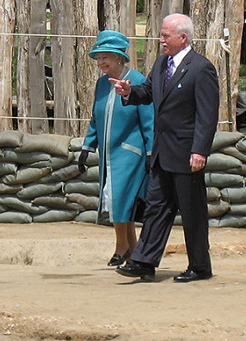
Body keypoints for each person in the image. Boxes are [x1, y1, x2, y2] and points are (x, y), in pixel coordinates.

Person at [110, 13, 219, 282]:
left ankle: (200, 266)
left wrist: (200, 151)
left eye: (165, 36)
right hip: (162, 153)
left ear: (183, 38)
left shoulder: (201, 68)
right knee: (156, 208)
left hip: (186, 153)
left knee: (192, 212)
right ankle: (144, 262)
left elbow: (207, 115)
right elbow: (147, 91)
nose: (161, 41)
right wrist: (128, 92)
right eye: (161, 35)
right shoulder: (161, 64)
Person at [79, 30, 154, 267]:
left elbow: (149, 120)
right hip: (108, 154)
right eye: (98, 58)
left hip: (129, 153)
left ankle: (122, 247)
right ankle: (131, 249)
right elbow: (96, 118)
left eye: (105, 57)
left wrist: (151, 152)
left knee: (119, 199)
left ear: (119, 57)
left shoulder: (138, 81)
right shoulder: (102, 85)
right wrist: (87, 146)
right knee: (117, 201)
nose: (101, 62)